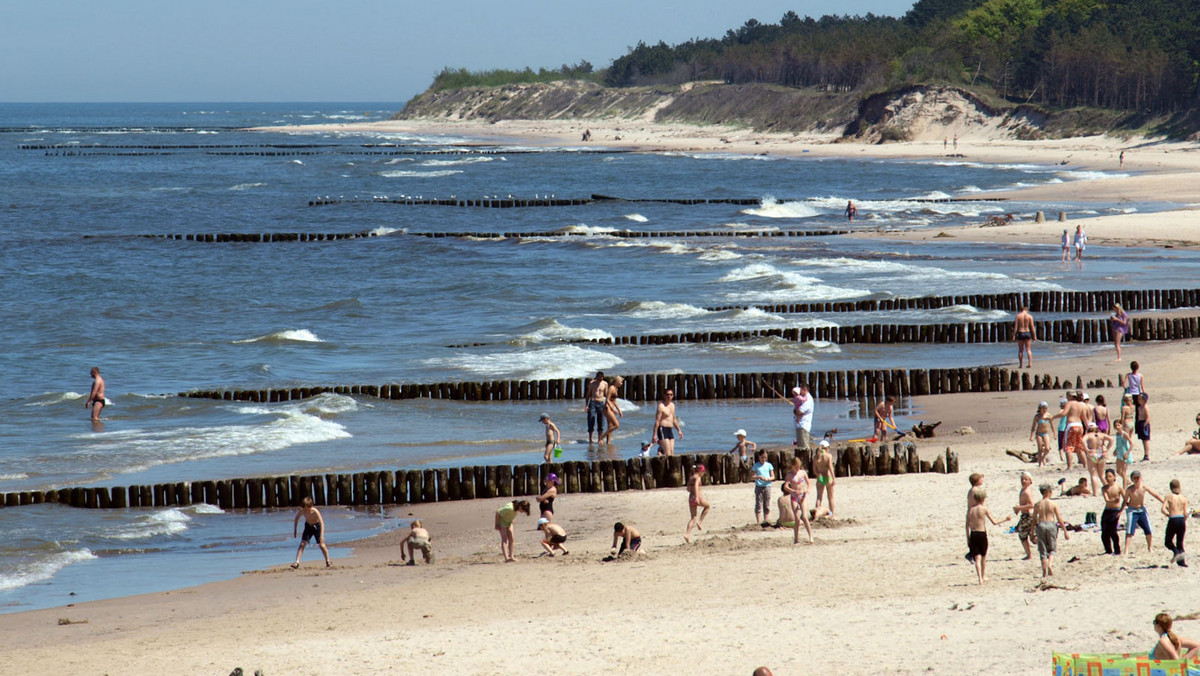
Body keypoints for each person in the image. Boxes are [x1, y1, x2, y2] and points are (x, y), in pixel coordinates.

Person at [966, 487, 1011, 585]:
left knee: (977, 558)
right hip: (982, 533)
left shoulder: (971, 510)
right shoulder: (984, 509)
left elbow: (967, 525)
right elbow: (994, 522)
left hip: (973, 533)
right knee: (983, 557)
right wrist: (1006, 519)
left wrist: (968, 538)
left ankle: (979, 578)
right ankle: (983, 575)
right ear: (983, 499)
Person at [1033, 483, 1070, 577]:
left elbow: (1034, 520)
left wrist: (1031, 531)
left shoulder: (1037, 504)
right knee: (1052, 548)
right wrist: (1065, 531)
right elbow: (1059, 518)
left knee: (1042, 550)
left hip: (1041, 525)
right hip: (1051, 524)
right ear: (1049, 492)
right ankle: (1050, 564)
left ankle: (1044, 571)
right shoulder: (1053, 503)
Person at [1124, 470, 1164, 555]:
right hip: (1132, 510)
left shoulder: (1144, 487)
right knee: (1129, 531)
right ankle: (1126, 550)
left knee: (1148, 529)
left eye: (1138, 478)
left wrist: (1164, 502)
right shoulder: (1129, 489)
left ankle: (1150, 547)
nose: (1136, 479)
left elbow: (1155, 495)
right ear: (1131, 479)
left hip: (1141, 510)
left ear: (1141, 478)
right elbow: (1125, 501)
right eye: (1134, 478)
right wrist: (1120, 511)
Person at [1051, 392, 1089, 470]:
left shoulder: (1070, 403)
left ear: (1069, 396)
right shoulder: (1081, 404)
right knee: (1079, 447)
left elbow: (1064, 413)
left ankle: (1070, 466)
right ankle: (1085, 465)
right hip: (1080, 426)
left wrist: (1053, 417)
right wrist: (1088, 428)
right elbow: (1084, 418)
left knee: (1069, 446)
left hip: (1071, 425)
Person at [291, 496, 332, 569]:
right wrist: (295, 530)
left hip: (317, 527)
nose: (306, 511)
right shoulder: (302, 511)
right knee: (302, 544)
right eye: (304, 508)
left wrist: (321, 536)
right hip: (308, 527)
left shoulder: (315, 511)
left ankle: (328, 561)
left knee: (322, 545)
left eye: (307, 509)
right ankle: (297, 562)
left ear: (311, 506)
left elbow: (322, 523)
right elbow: (297, 518)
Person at [783, 457, 813, 544]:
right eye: (796, 467)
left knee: (804, 516)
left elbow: (809, 483)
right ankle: (796, 539)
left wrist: (808, 490)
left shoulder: (803, 473)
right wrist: (793, 491)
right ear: (792, 466)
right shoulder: (789, 475)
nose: (797, 469)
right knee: (797, 518)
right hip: (794, 497)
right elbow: (786, 487)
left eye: (799, 467)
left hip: (802, 496)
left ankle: (810, 536)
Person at [1082, 422, 1113, 496]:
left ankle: (1095, 493)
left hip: (1092, 452)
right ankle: (1109, 490)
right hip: (1101, 453)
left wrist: (1086, 449)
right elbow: (1111, 440)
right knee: (1101, 475)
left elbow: (1082, 441)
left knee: (1093, 475)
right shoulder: (1101, 435)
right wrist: (1107, 449)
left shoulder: (1088, 435)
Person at [1163, 479, 1188, 566]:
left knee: (1168, 541)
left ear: (1171, 488)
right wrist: (1184, 520)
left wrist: (1168, 514)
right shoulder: (1183, 498)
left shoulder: (1169, 497)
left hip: (1173, 518)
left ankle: (1176, 552)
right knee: (1180, 542)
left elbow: (1162, 509)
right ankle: (1182, 563)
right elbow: (1185, 513)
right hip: (1181, 519)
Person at [684, 463, 710, 543]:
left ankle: (687, 534)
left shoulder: (691, 478)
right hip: (697, 498)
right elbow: (695, 486)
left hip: (690, 499)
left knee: (693, 518)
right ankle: (699, 522)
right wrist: (697, 497)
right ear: (700, 471)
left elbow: (688, 488)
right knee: (708, 506)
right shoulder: (697, 478)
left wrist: (692, 493)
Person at [1013, 471, 1036, 560]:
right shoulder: (1023, 490)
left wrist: (1019, 508)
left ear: (1030, 481)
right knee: (1031, 536)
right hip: (1025, 515)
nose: (1023, 481)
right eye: (1022, 479)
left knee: (1023, 535)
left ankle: (1029, 555)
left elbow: (1031, 505)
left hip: (1028, 516)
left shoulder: (1027, 492)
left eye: (1026, 479)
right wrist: (1019, 509)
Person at [652, 389, 682, 456]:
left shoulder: (672, 405)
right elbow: (657, 421)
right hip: (662, 429)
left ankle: (660, 452)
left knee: (672, 453)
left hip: (670, 430)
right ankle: (660, 451)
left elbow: (674, 419)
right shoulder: (661, 406)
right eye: (667, 394)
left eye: (671, 395)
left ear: (673, 396)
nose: (669, 396)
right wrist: (654, 434)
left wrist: (679, 430)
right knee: (667, 453)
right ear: (664, 395)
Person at [1100, 469, 1123, 555]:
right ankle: (1108, 550)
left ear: (1114, 477)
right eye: (1106, 477)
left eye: (1110, 476)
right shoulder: (1104, 488)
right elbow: (1107, 500)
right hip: (1107, 510)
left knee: (1113, 531)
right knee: (1104, 531)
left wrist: (1121, 510)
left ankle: (1117, 550)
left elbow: (1125, 499)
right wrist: (1114, 500)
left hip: (1115, 510)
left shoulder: (1118, 487)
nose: (1108, 478)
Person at [812, 439, 836, 518]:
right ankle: (832, 514)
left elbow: (814, 470)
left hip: (820, 478)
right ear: (827, 448)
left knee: (819, 497)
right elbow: (830, 467)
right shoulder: (828, 456)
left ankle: (816, 514)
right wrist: (834, 478)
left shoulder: (815, 457)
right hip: (828, 477)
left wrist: (818, 474)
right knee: (830, 497)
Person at [584, 371, 609, 444]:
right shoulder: (592, 383)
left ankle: (599, 438)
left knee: (601, 421)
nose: (599, 380)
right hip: (593, 402)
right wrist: (586, 405)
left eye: (601, 379)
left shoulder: (605, 384)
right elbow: (588, 394)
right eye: (598, 379)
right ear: (596, 377)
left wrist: (607, 404)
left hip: (601, 403)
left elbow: (607, 395)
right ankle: (590, 439)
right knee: (591, 419)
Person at [751, 449, 775, 526]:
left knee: (767, 503)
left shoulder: (769, 465)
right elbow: (752, 477)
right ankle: (758, 521)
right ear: (759, 456)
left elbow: (773, 476)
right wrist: (758, 477)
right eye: (762, 457)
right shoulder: (756, 465)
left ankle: (766, 520)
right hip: (759, 486)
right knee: (758, 503)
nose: (763, 459)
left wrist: (767, 479)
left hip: (767, 486)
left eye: (765, 457)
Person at [965, 472, 985, 560]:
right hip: (974, 513)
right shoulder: (975, 490)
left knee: (973, 531)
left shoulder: (972, 490)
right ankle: (973, 552)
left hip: (972, 512)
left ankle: (973, 552)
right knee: (976, 531)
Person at [599, 376, 624, 445]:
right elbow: (607, 399)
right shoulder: (611, 388)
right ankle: (602, 437)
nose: (621, 384)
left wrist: (619, 410)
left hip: (612, 408)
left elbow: (614, 401)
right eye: (621, 382)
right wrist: (612, 408)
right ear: (617, 381)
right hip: (607, 408)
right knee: (616, 425)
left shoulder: (616, 389)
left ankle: (608, 442)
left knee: (610, 426)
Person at [1029, 401, 1053, 467]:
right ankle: (1040, 464)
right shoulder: (1037, 416)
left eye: (1046, 408)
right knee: (1040, 449)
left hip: (1045, 433)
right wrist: (1031, 436)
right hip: (1039, 433)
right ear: (1040, 408)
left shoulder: (1049, 415)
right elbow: (1033, 427)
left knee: (1047, 448)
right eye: (1043, 408)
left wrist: (1054, 434)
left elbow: (1052, 425)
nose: (1045, 410)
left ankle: (1043, 457)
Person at [793, 382, 814, 451]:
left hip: (804, 425)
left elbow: (800, 411)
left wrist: (796, 411)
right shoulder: (803, 398)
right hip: (800, 425)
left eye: (801, 390)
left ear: (804, 390)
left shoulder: (808, 399)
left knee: (804, 446)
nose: (799, 391)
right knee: (800, 446)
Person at [1112, 418, 1133, 486]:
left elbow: (1131, 444)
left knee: (1123, 472)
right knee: (1118, 471)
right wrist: (1115, 450)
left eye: (1118, 425)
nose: (1117, 427)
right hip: (1119, 452)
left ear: (1121, 425)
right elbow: (1118, 443)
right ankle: (1127, 481)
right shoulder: (1117, 434)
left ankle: (1124, 487)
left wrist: (1127, 453)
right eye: (1116, 426)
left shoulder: (1124, 434)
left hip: (1124, 453)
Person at [1135, 393, 1152, 461]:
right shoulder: (1139, 407)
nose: (1138, 400)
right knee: (1143, 440)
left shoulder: (1145, 407)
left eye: (1140, 399)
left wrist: (1144, 425)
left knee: (1145, 440)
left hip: (1144, 423)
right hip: (1140, 422)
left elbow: (1148, 418)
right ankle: (1145, 454)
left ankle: (1147, 455)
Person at [1056, 397, 1070, 464]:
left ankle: (1062, 457)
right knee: (1062, 444)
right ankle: (1062, 457)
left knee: (1062, 444)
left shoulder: (1063, 411)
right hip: (1064, 428)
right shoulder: (1064, 411)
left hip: (1063, 428)